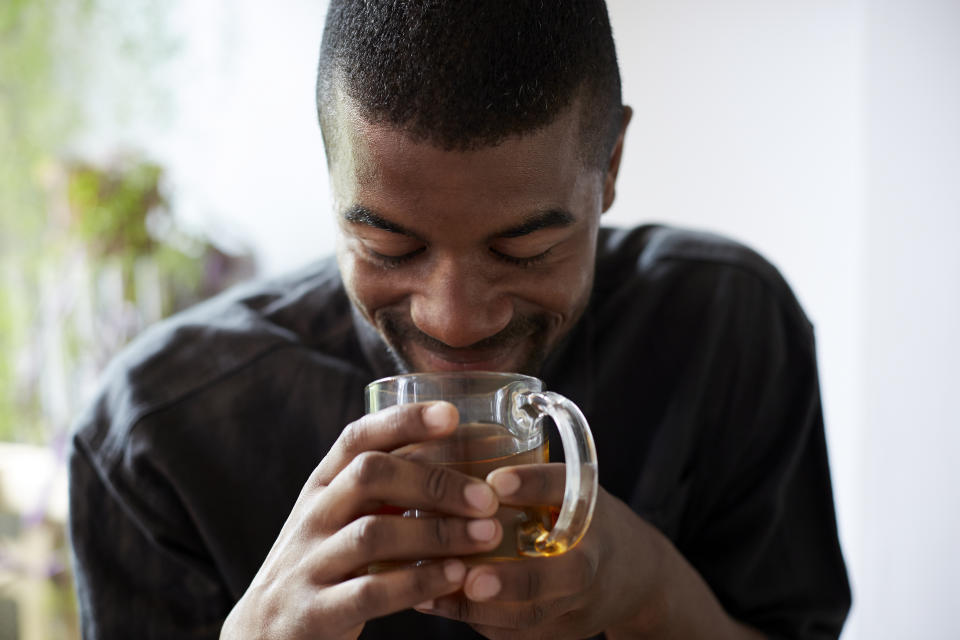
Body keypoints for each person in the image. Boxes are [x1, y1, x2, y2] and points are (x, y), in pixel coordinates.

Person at [68, 1, 851, 638]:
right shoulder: (154, 437)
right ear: (331, 174)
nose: (456, 320)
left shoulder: (727, 326)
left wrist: (653, 592)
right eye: (388, 245)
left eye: (526, 249)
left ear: (608, 168)